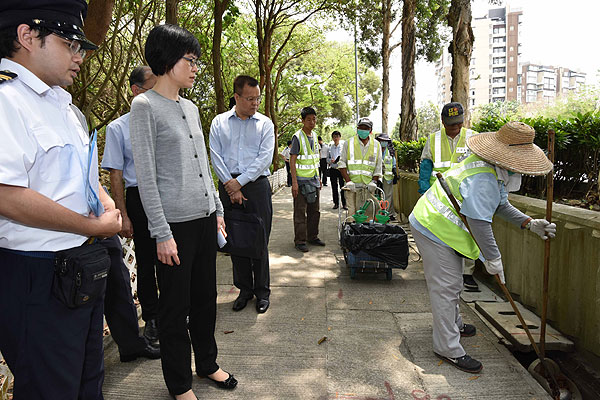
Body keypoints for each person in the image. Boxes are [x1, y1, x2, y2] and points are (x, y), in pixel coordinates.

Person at [0, 1, 122, 398]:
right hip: (35, 276)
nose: (79, 55)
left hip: (80, 268)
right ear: (26, 36)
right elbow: (7, 196)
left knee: (87, 385)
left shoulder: (64, 106)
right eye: (70, 42)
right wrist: (92, 226)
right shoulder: (7, 101)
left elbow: (81, 177)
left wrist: (104, 203)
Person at [129, 24, 236, 399]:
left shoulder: (190, 107)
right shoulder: (143, 106)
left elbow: (203, 164)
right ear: (168, 60)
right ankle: (179, 383)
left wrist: (217, 207)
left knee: (206, 299)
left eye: (196, 61)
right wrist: (160, 232)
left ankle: (207, 364)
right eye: (190, 60)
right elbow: (146, 176)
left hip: (205, 218)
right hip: (173, 226)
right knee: (175, 308)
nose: (195, 68)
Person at [409, 121, 556, 374]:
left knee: (453, 283)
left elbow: (499, 205)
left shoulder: (493, 169)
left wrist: (529, 223)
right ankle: (447, 346)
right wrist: (494, 259)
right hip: (432, 226)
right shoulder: (484, 178)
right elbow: (479, 221)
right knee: (446, 287)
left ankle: (453, 325)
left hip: (442, 227)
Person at [102, 66, 160, 343]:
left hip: (170, 194)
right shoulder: (118, 128)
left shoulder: (165, 120)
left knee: (176, 257)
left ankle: (176, 312)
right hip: (140, 197)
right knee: (147, 261)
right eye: (152, 87)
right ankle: (152, 318)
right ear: (136, 91)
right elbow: (116, 174)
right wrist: (123, 214)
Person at [209, 75, 274, 314]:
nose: (255, 103)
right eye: (249, 99)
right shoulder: (219, 122)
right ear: (236, 97)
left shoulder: (265, 124)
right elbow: (215, 156)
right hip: (227, 186)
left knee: (259, 240)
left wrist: (240, 183)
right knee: (235, 240)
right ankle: (244, 290)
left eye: (257, 98)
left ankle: (262, 292)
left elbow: (264, 158)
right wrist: (230, 184)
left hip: (256, 187)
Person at [418, 102, 479, 291]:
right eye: (452, 123)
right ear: (443, 122)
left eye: (459, 123)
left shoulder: (473, 137)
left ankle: (467, 273)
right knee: (440, 232)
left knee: (467, 232)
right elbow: (426, 165)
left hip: (465, 195)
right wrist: (423, 189)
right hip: (440, 196)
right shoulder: (433, 139)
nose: (456, 127)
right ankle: (443, 267)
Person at [290, 107, 326, 253]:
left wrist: (319, 178)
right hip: (300, 181)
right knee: (300, 212)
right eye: (309, 119)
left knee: (315, 211)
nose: (312, 122)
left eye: (314, 119)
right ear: (303, 120)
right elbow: (292, 161)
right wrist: (294, 183)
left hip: (314, 180)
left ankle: (313, 236)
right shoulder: (297, 137)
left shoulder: (315, 136)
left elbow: (314, 160)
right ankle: (300, 240)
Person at [338, 117, 383, 221]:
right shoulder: (348, 143)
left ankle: (365, 235)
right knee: (352, 213)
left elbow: (378, 166)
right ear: (357, 129)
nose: (363, 130)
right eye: (361, 128)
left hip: (368, 186)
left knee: (368, 214)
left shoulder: (376, 145)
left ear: (370, 131)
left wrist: (374, 181)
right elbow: (342, 163)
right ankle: (351, 233)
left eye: (365, 128)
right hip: (352, 186)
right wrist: (348, 181)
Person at [375, 133, 397, 219]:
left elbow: (393, 162)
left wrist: (395, 172)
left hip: (387, 177)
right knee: (376, 195)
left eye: (385, 141)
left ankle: (388, 214)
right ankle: (377, 212)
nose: (383, 142)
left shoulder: (390, 152)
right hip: (376, 176)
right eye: (382, 141)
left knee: (388, 196)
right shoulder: (375, 150)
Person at [328, 131, 347, 210]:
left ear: (340, 137)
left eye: (337, 137)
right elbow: (327, 159)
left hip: (341, 169)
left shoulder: (343, 147)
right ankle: (336, 203)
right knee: (334, 187)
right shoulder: (330, 148)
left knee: (343, 186)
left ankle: (344, 204)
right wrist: (330, 161)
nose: (335, 138)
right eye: (334, 137)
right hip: (333, 169)